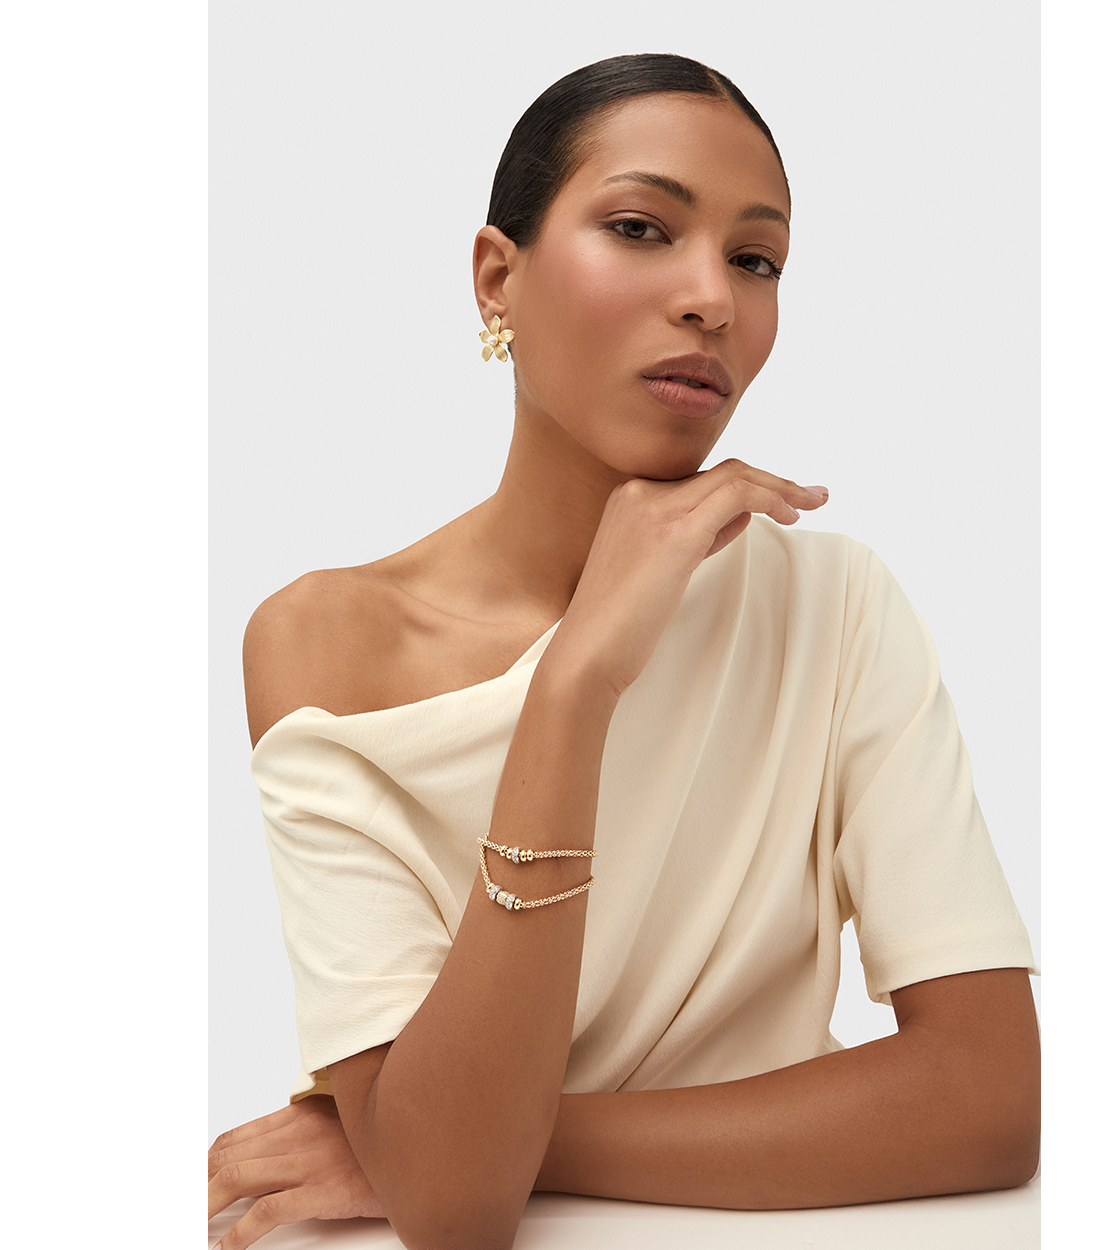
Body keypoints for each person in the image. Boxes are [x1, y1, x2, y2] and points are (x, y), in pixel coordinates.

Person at [207, 53, 1039, 1250]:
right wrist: (577, 681)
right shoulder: (325, 644)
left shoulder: (833, 605)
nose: (711, 298)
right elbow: (456, 1218)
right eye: (641, 228)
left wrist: (425, 1137)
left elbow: (987, 1098)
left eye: (755, 259)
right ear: (497, 277)